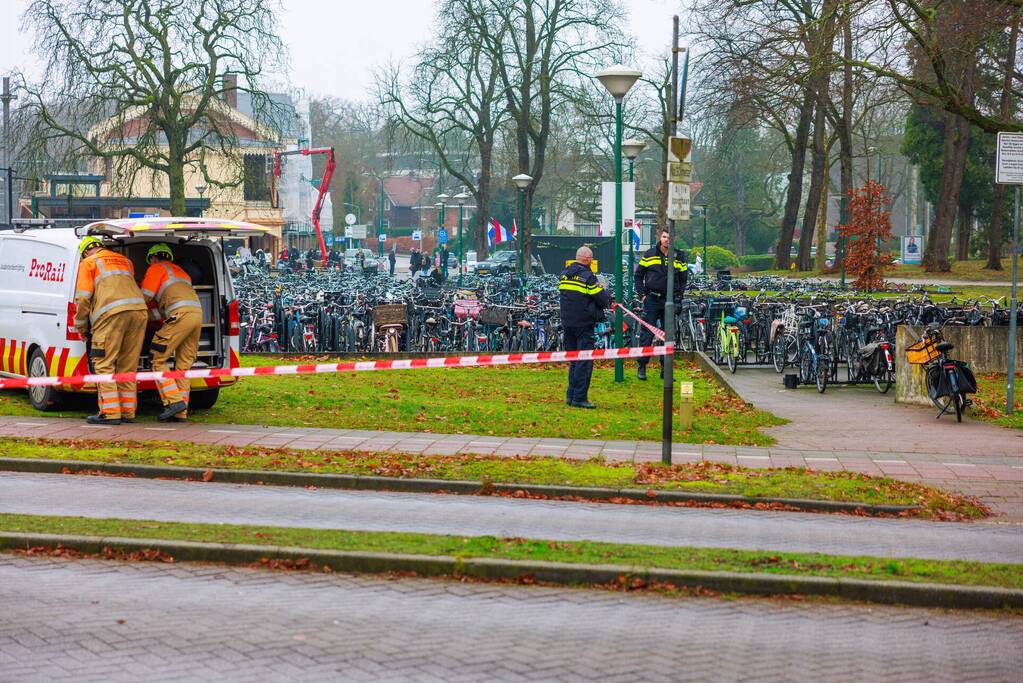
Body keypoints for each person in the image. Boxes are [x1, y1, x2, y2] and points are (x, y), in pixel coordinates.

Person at [74, 237, 148, 425]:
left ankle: (110, 413)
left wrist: (81, 326)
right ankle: (128, 412)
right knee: (127, 365)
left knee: (103, 363)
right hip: (139, 312)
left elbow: (83, 298)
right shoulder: (125, 261)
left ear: (85, 252)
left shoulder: (88, 263)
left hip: (110, 314)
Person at [140, 243, 204, 422]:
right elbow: (165, 307)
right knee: (184, 364)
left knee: (157, 358)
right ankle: (180, 413)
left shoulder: (156, 269)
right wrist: (148, 316)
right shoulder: (182, 273)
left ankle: (174, 401)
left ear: (153, 258)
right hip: (196, 315)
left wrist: (130, 310)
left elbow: (145, 296)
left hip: (179, 316)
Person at [558, 246, 611, 409]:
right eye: (591, 258)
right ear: (588, 259)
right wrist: (605, 292)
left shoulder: (564, 274)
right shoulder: (588, 277)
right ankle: (580, 398)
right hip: (583, 324)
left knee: (574, 360)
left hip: (567, 322)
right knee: (584, 361)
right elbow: (602, 299)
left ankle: (570, 395)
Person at [634, 228, 688, 381]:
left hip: (670, 301)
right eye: (664, 237)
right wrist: (642, 295)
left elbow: (683, 279)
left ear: (674, 239)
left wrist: (678, 298)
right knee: (647, 334)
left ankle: (666, 369)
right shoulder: (649, 254)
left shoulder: (679, 256)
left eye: (669, 237)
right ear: (660, 237)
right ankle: (642, 366)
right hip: (652, 300)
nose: (666, 239)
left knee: (668, 335)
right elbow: (638, 276)